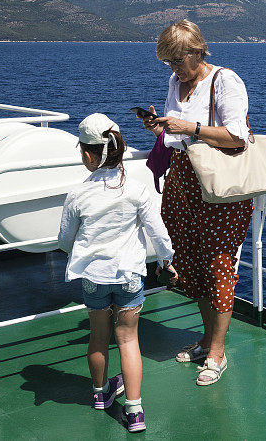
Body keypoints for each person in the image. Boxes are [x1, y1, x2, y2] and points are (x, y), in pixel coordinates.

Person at [140, 19, 253, 386]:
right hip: (183, 181)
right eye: (169, 64)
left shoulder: (225, 81)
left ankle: (217, 353)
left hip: (218, 187)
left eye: (177, 61)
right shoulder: (177, 81)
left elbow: (237, 137)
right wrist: (160, 128)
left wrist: (187, 128)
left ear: (196, 52)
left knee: (219, 266)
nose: (173, 70)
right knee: (192, 264)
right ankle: (207, 339)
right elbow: (178, 135)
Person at [58, 113, 176, 432]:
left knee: (98, 336)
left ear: (87, 154)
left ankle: (100, 395)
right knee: (128, 340)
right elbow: (158, 231)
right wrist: (167, 260)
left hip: (94, 278)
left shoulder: (77, 194)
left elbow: (64, 240)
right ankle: (134, 412)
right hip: (129, 276)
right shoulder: (137, 190)